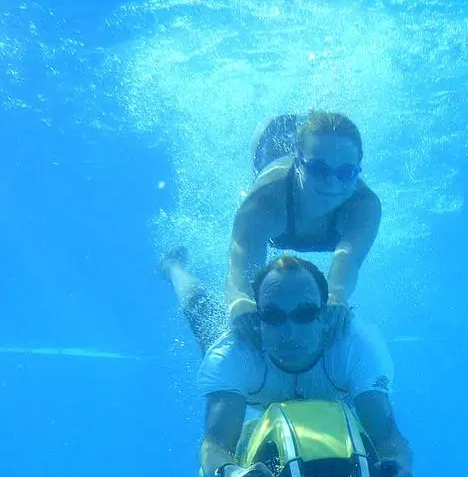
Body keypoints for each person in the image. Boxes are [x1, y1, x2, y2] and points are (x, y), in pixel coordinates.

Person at [198, 254, 413, 477]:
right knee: (204, 325)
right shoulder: (233, 353)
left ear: (325, 315)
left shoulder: (355, 347)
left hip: (317, 402)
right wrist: (229, 475)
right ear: (257, 319)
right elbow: (216, 447)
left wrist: (399, 467)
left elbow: (388, 439)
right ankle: (174, 269)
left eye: (305, 314)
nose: (290, 333)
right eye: (273, 316)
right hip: (256, 395)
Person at [160, 110, 381, 352]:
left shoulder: (363, 207)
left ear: (357, 170)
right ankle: (172, 266)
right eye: (318, 169)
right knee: (235, 328)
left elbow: (347, 264)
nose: (332, 184)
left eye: (345, 173)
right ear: (297, 162)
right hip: (271, 143)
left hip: (304, 154)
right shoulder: (264, 203)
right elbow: (239, 274)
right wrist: (240, 304)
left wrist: (336, 299)